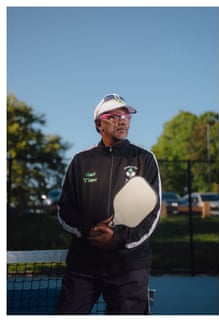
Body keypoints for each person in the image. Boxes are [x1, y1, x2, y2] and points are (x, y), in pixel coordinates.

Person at [55, 93, 161, 314]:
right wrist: (88, 230)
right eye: (114, 116)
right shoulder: (81, 161)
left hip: (129, 266)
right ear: (99, 124)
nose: (122, 120)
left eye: (126, 115)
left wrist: (118, 239)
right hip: (84, 265)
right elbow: (64, 210)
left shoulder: (145, 159)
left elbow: (152, 213)